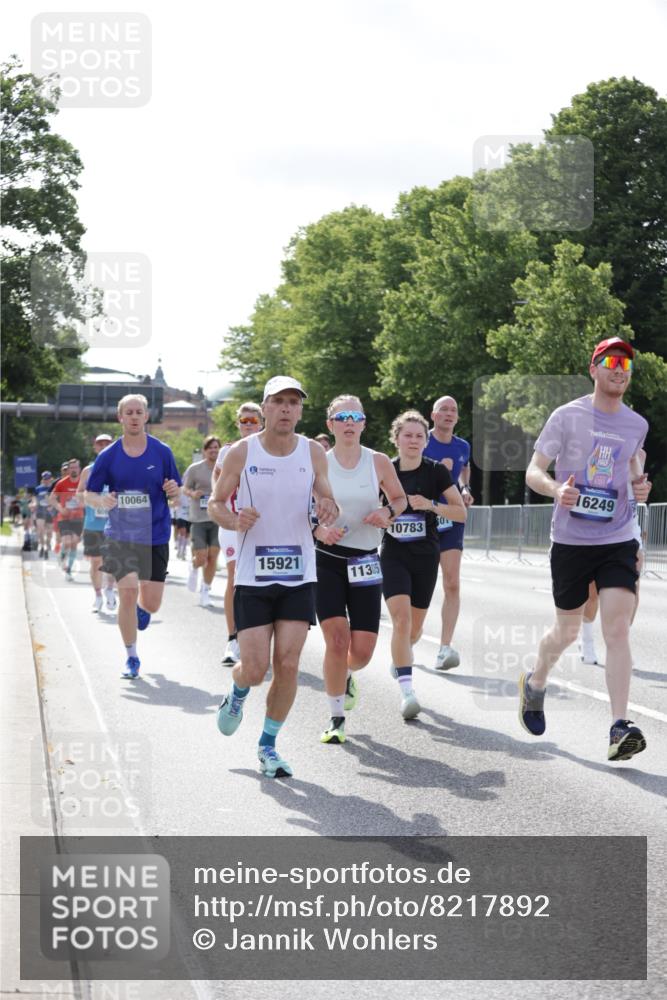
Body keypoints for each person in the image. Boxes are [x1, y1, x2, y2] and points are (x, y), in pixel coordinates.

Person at [522, 337, 651, 761]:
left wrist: (640, 485)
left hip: (617, 537)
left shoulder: (636, 425)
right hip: (572, 541)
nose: (620, 369)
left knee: (617, 629)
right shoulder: (567, 416)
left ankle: (619, 726)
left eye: (626, 364)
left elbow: (635, 470)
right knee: (568, 631)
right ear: (593, 368)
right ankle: (536, 681)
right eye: (611, 361)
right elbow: (533, 471)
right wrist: (556, 488)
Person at [209, 376, 338, 778]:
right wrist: (233, 518)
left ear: (300, 411)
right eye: (278, 401)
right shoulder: (241, 453)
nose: (286, 408)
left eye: (293, 402)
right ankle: (237, 692)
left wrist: (329, 507)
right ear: (264, 407)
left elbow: (325, 494)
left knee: (288, 662)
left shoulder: (314, 451)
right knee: (254, 668)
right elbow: (214, 503)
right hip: (253, 575)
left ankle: (268, 746)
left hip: (300, 573)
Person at [315, 395, 406, 744]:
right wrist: (319, 530)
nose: (349, 422)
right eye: (342, 417)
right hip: (328, 560)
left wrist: (387, 513)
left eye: (355, 416)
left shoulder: (378, 461)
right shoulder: (318, 463)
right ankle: (336, 718)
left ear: (364, 423)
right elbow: (302, 510)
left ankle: (346, 675)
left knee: (363, 652)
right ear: (331, 425)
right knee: (336, 641)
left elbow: (400, 499)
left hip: (367, 560)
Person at [85, 394, 181, 679]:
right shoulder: (108, 456)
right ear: (121, 418)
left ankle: (143, 609)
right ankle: (131, 656)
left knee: (151, 603)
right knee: (127, 591)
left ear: (146, 417)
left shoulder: (162, 452)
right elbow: (89, 493)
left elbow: (175, 492)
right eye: (129, 412)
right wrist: (101, 502)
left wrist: (174, 493)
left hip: (155, 533)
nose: (135, 416)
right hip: (120, 534)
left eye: (139, 412)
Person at [381, 411, 466, 719]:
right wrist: (385, 513)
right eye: (408, 435)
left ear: (426, 441)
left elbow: (460, 513)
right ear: (397, 438)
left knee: (414, 629)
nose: (413, 441)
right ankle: (407, 692)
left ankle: (402, 656)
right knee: (401, 622)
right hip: (393, 554)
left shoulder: (436, 473)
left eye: (419, 436)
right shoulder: (384, 470)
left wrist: (430, 505)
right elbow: (368, 506)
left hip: (425, 556)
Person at [578, 448, 648, 664]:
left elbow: (637, 491)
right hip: (596, 528)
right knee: (592, 593)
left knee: (631, 590)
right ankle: (587, 639)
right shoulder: (591, 450)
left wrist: (643, 490)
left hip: (628, 529)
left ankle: (619, 645)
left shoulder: (640, 455)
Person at [423, 395, 474, 671]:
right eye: (443, 409)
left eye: (453, 410)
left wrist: (464, 489)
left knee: (452, 582)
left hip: (452, 518)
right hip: (424, 518)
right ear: (433, 415)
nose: (448, 413)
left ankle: (444, 647)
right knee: (421, 584)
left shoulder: (462, 446)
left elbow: (463, 470)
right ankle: (405, 642)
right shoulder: (422, 441)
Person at [213, 402, 263, 664]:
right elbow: (216, 485)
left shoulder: (271, 449)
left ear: (261, 423)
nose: (247, 424)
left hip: (264, 526)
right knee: (234, 577)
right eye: (243, 420)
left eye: (252, 421)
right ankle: (233, 639)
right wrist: (225, 514)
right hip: (234, 524)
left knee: (262, 580)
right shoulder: (227, 451)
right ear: (237, 423)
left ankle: (257, 637)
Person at [77, 434, 117, 612]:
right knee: (95, 562)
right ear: (95, 448)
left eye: (107, 444)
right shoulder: (88, 470)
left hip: (115, 524)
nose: (103, 447)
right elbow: (79, 494)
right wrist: (93, 500)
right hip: (93, 523)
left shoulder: (121, 468)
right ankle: (98, 595)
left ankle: (110, 590)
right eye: (100, 444)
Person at [182, 435, 222, 607]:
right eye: (210, 447)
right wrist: (193, 494)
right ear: (205, 451)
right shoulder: (195, 468)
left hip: (218, 518)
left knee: (213, 556)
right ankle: (194, 566)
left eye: (216, 447)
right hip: (198, 517)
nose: (213, 450)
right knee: (201, 557)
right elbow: (184, 488)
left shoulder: (224, 468)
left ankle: (205, 590)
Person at [49, 460, 84, 580]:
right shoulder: (61, 483)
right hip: (64, 517)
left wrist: (83, 503)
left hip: (78, 518)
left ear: (80, 469)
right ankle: (62, 554)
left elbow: (90, 497)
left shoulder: (83, 483)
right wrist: (60, 508)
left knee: (74, 543)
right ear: (68, 470)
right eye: (71, 468)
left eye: (76, 467)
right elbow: (52, 499)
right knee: (67, 542)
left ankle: (68, 570)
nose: (73, 470)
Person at [34, 471, 56, 558]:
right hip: (40, 511)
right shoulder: (38, 489)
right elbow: (34, 499)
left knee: (49, 532)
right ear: (42, 479)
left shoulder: (54, 488)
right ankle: (42, 547)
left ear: (51, 479)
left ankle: (47, 547)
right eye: (44, 479)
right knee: (40, 530)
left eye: (48, 479)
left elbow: (57, 499)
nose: (46, 480)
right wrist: (34, 504)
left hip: (50, 512)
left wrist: (52, 505)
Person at [172, 490, 191, 559]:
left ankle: (183, 550)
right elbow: (172, 499)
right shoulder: (180, 489)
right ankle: (180, 550)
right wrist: (175, 500)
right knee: (182, 531)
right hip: (180, 514)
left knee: (187, 535)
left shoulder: (193, 489)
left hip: (190, 515)